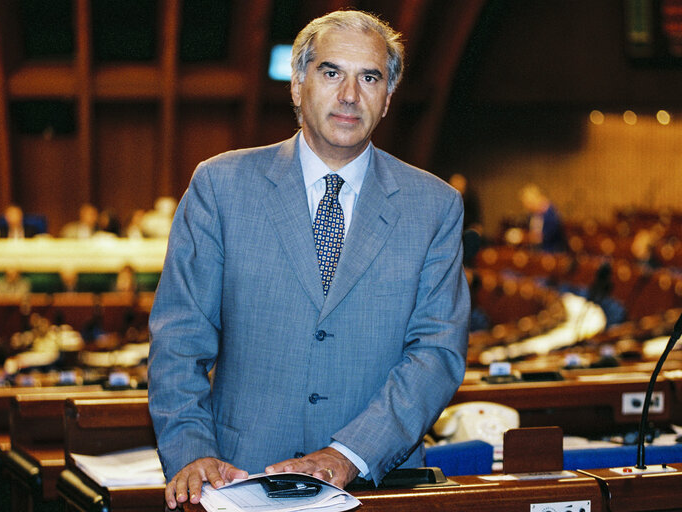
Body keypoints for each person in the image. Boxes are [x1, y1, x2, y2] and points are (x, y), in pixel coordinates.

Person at [147, 10, 469, 509]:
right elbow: (179, 339)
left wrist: (350, 453)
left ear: (387, 99)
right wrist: (191, 450)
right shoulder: (220, 186)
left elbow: (436, 353)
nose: (349, 95)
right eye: (330, 72)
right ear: (297, 86)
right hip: (236, 479)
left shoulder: (434, 206)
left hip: (374, 485)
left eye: (369, 78)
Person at [519, 183, 567, 252]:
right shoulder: (532, 214)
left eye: (528, 203)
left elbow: (546, 236)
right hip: (536, 251)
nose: (526, 207)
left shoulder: (551, 214)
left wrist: (523, 237)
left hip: (552, 253)